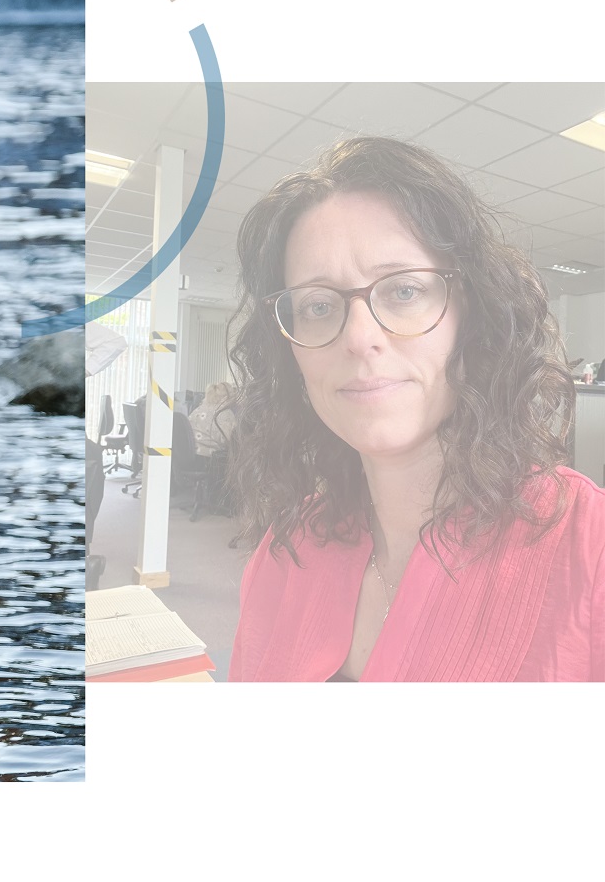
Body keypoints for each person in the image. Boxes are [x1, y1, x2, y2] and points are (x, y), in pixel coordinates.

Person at [224, 136, 605, 682]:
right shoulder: (285, 553)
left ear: (470, 315)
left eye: (403, 291)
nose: (359, 338)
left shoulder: (590, 552)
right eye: (317, 305)